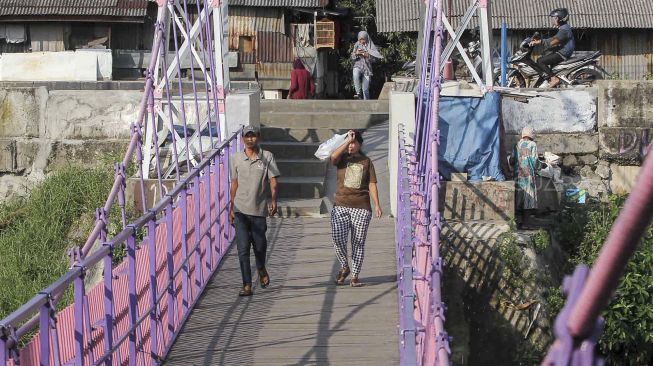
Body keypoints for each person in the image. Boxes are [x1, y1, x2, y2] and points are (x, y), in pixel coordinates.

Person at [229, 125, 280, 296]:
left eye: (253, 136)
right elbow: (234, 184)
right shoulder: (235, 158)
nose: (250, 139)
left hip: (258, 209)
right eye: (247, 136)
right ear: (242, 138)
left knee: (260, 246)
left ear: (258, 137)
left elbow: (273, 180)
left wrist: (273, 200)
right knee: (243, 248)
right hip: (239, 209)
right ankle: (247, 285)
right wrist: (230, 208)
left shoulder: (267, 157)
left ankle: (261, 268)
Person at [330, 130, 382, 287]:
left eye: (354, 142)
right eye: (349, 142)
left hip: (361, 206)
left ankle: (355, 276)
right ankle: (345, 266)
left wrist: (377, 204)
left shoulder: (367, 161)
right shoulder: (342, 158)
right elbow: (332, 157)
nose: (351, 145)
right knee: (337, 238)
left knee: (358, 242)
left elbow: (372, 183)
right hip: (340, 205)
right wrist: (346, 141)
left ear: (360, 144)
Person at [529, 8, 575, 88]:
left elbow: (554, 41)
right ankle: (548, 78)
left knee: (540, 61)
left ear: (559, 19)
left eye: (554, 18)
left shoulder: (564, 30)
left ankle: (554, 79)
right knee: (545, 54)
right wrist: (540, 39)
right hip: (561, 50)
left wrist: (539, 42)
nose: (552, 20)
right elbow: (554, 38)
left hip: (563, 53)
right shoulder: (563, 27)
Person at [513, 126, 539, 228]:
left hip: (518, 175)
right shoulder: (533, 144)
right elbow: (535, 160)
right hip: (528, 176)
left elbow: (512, 159)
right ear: (532, 135)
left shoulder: (517, 144)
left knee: (518, 198)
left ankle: (517, 222)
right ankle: (526, 223)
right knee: (528, 199)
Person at [351, 31, 382, 100]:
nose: (361, 41)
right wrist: (356, 53)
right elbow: (352, 57)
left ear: (366, 38)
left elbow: (376, 60)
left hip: (367, 69)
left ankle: (366, 104)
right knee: (355, 74)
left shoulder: (371, 46)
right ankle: (358, 93)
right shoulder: (357, 44)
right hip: (358, 65)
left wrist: (368, 56)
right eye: (360, 39)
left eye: (363, 39)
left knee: (365, 89)